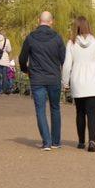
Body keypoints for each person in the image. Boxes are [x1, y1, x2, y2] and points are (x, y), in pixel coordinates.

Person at [19, 11, 66, 151]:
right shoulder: (57, 38)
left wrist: (25, 70)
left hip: (37, 78)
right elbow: (64, 59)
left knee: (40, 110)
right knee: (55, 108)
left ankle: (46, 142)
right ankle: (56, 141)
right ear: (51, 21)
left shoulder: (30, 38)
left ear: (39, 20)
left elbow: (22, 58)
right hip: (53, 78)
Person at [61, 16, 95, 153]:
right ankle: (92, 141)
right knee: (92, 113)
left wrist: (65, 81)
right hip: (93, 82)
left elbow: (67, 65)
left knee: (80, 112)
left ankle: (81, 141)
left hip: (77, 80)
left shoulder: (71, 44)